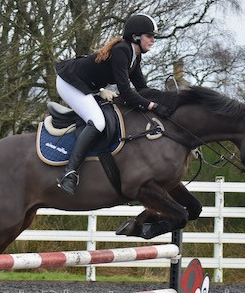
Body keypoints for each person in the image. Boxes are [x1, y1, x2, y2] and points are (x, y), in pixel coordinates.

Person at [54, 13, 171, 195]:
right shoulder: (122, 51)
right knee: (98, 122)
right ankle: (69, 173)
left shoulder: (134, 55)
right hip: (70, 82)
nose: (153, 40)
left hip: (86, 85)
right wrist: (152, 106)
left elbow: (142, 89)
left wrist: (166, 99)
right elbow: (126, 91)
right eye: (149, 36)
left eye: (153, 36)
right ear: (136, 37)